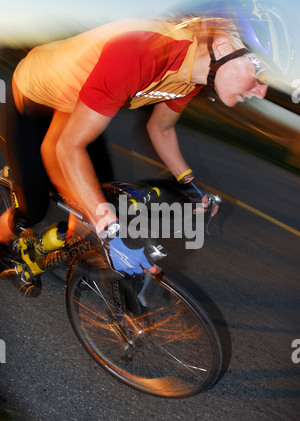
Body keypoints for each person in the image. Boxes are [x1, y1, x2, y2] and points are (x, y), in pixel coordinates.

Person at [0, 16, 268, 275]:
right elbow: (64, 148)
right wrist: (111, 234)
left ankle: (57, 248)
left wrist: (190, 184)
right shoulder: (144, 50)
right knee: (32, 211)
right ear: (223, 47)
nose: (262, 90)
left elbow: (160, 128)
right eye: (258, 71)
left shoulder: (193, 79)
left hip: (75, 104)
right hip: (34, 97)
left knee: (95, 200)